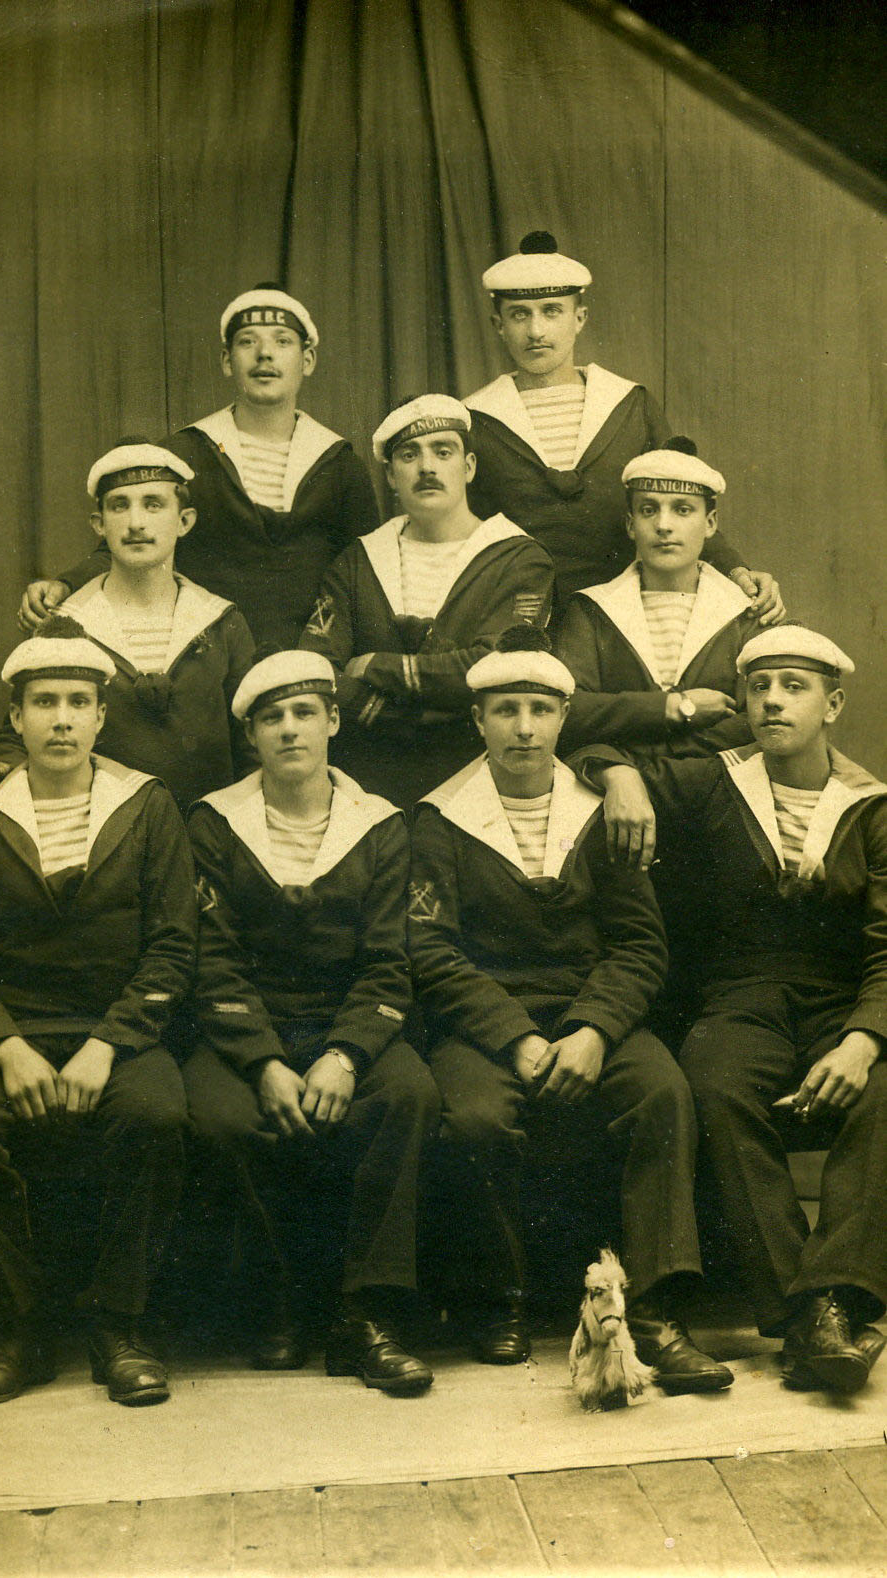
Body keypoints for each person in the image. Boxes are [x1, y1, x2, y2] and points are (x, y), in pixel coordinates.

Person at [407, 626, 733, 1393]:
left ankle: (656, 1312)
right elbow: (433, 953)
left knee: (662, 1093)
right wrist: (516, 1038)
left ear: (563, 718)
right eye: (505, 710)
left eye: (541, 710)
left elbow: (640, 944)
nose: (524, 728)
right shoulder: (438, 818)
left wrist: (593, 1030)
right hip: (486, 1025)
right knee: (476, 1118)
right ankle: (500, 1302)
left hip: (592, 1011)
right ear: (477, 720)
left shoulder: (598, 811)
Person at [575, 625, 887, 1394]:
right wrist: (620, 775)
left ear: (833, 705)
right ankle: (811, 1314)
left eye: (794, 686)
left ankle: (831, 1297)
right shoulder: (712, 780)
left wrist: (861, 1040)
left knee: (884, 1090)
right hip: (740, 997)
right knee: (714, 1085)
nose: (772, 701)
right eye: (759, 686)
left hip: (838, 1002)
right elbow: (589, 746)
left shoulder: (871, 807)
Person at [0, 622, 197, 1408]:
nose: (61, 720)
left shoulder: (147, 805)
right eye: (44, 702)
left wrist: (107, 1044)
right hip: (10, 1033)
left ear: (101, 716)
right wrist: (5, 1045)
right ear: (15, 718)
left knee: (156, 1114)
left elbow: (173, 947)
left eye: (78, 702)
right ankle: (17, 1333)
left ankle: (120, 1327)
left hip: (117, 1031)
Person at [183, 649, 440, 1396]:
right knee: (221, 1116)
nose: (289, 730)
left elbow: (389, 962)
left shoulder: (380, 823)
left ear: (333, 721)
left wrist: (346, 1054)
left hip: (345, 1023)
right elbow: (211, 960)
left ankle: (368, 1314)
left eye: (304, 713)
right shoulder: (214, 822)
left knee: (410, 1095)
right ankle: (278, 1302)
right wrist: (264, 1061)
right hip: (248, 1026)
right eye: (272, 718)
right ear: (251, 736)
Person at [18, 286, 380, 647]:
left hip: (310, 662)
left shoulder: (340, 464)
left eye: (282, 341)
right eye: (247, 342)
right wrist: (64, 584)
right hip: (206, 656)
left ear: (308, 359)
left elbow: (364, 578)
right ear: (226, 360)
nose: (265, 354)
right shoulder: (183, 454)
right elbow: (122, 547)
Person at [463, 231, 783, 625]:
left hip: (625, 617)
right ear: (499, 325)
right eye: (519, 314)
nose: (536, 331)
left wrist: (737, 570)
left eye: (552, 311)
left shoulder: (629, 404)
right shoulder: (473, 417)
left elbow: (680, 495)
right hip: (515, 619)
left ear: (580, 318)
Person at [0, 443, 257, 814]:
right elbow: (21, 730)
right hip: (106, 834)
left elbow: (253, 745)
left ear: (184, 521)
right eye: (120, 505)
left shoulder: (221, 622)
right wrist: (0, 765)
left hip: (207, 830)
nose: (136, 522)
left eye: (153, 504)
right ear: (99, 524)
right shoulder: (68, 624)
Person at [299, 394, 554, 806]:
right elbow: (317, 669)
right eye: (409, 454)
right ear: (390, 475)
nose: (427, 467)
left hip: (477, 776)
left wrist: (377, 666)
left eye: (443, 451)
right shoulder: (357, 561)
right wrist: (411, 710)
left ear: (469, 467)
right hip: (367, 777)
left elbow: (497, 664)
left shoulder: (518, 558)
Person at [557, 438, 758, 760]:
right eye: (648, 510)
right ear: (631, 524)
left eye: (682, 510)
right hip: (613, 788)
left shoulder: (745, 614)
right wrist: (671, 707)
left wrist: (643, 769)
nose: (664, 526)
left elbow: (754, 722)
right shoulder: (591, 610)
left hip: (712, 786)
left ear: (710, 524)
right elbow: (568, 709)